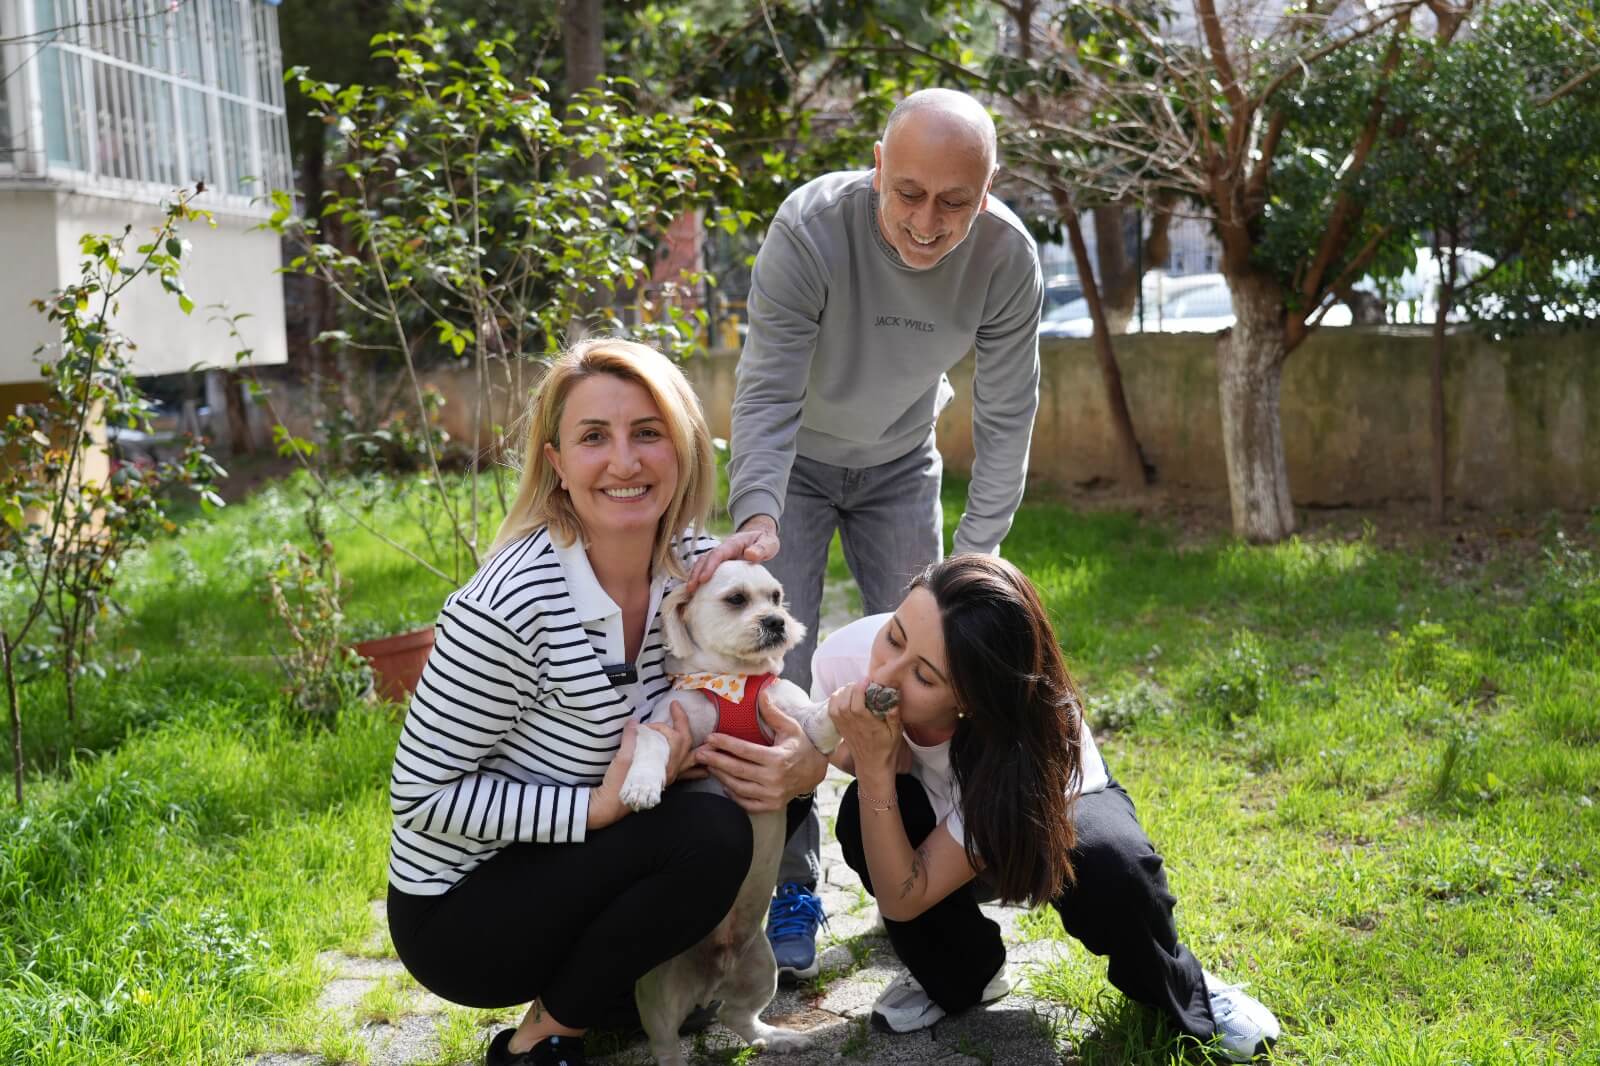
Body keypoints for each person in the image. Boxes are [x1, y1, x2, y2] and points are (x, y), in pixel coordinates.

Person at [384, 339, 826, 1066]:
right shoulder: (506, 608)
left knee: (751, 789)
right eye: (594, 437)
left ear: (682, 448)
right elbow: (421, 797)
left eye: (647, 432)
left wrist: (804, 764)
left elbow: (770, 697)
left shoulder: (699, 571)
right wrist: (596, 808)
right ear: (557, 463)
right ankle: (542, 1038)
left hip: (588, 866)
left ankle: (626, 985)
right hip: (465, 911)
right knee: (711, 832)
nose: (624, 462)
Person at [689, 85, 1046, 978]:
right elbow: (767, 385)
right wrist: (758, 514)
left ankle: (926, 876)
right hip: (795, 464)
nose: (927, 222)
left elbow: (1008, 414)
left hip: (901, 461)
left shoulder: (1007, 256)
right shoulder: (812, 227)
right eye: (909, 192)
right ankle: (791, 883)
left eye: (955, 201)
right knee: (774, 676)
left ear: (989, 189)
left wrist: (978, 556)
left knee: (932, 678)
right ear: (878, 166)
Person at [816, 554, 1281, 1062]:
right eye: (895, 636)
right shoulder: (846, 655)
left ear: (972, 698)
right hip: (936, 822)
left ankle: (1181, 982)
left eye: (924, 677)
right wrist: (873, 768)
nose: (884, 673)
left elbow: (922, 878)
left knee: (1108, 860)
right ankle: (965, 973)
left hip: (1032, 822)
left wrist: (877, 766)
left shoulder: (1032, 739)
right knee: (864, 814)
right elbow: (899, 893)